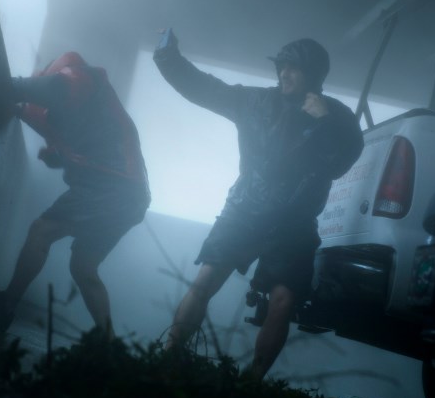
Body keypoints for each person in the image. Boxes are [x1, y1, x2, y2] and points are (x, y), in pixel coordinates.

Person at [152, 29, 363, 379]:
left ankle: (251, 385)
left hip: (295, 222)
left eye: (293, 68)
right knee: (205, 281)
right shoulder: (256, 101)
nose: (284, 73)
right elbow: (203, 88)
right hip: (245, 209)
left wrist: (323, 121)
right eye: (281, 66)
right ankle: (166, 358)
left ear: (313, 73)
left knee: (283, 301)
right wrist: (167, 57)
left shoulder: (337, 117)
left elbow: (339, 164)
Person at [0, 51, 150, 338]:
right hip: (131, 198)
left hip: (111, 187)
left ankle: (5, 305)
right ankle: (108, 346)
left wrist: (3, 85)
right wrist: (55, 156)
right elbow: (78, 148)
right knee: (83, 268)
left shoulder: (79, 80)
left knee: (42, 231)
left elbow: (44, 88)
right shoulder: (77, 111)